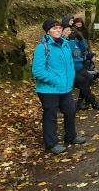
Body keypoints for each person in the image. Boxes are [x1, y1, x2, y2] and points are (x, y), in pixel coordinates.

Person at [32, 19, 86, 154]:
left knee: (70, 110)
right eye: (54, 28)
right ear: (47, 31)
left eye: (59, 28)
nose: (58, 30)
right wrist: (55, 80)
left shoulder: (65, 45)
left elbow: (70, 63)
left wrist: (71, 76)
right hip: (49, 89)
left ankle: (71, 136)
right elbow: (38, 71)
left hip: (65, 88)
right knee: (50, 116)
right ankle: (51, 144)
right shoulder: (42, 47)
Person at [61, 16, 99, 111]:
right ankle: (93, 102)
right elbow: (72, 54)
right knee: (84, 81)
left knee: (89, 78)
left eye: (70, 30)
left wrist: (79, 39)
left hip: (79, 65)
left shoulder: (72, 38)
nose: (70, 31)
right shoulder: (63, 42)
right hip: (71, 69)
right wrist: (72, 43)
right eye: (67, 30)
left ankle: (80, 102)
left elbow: (81, 50)